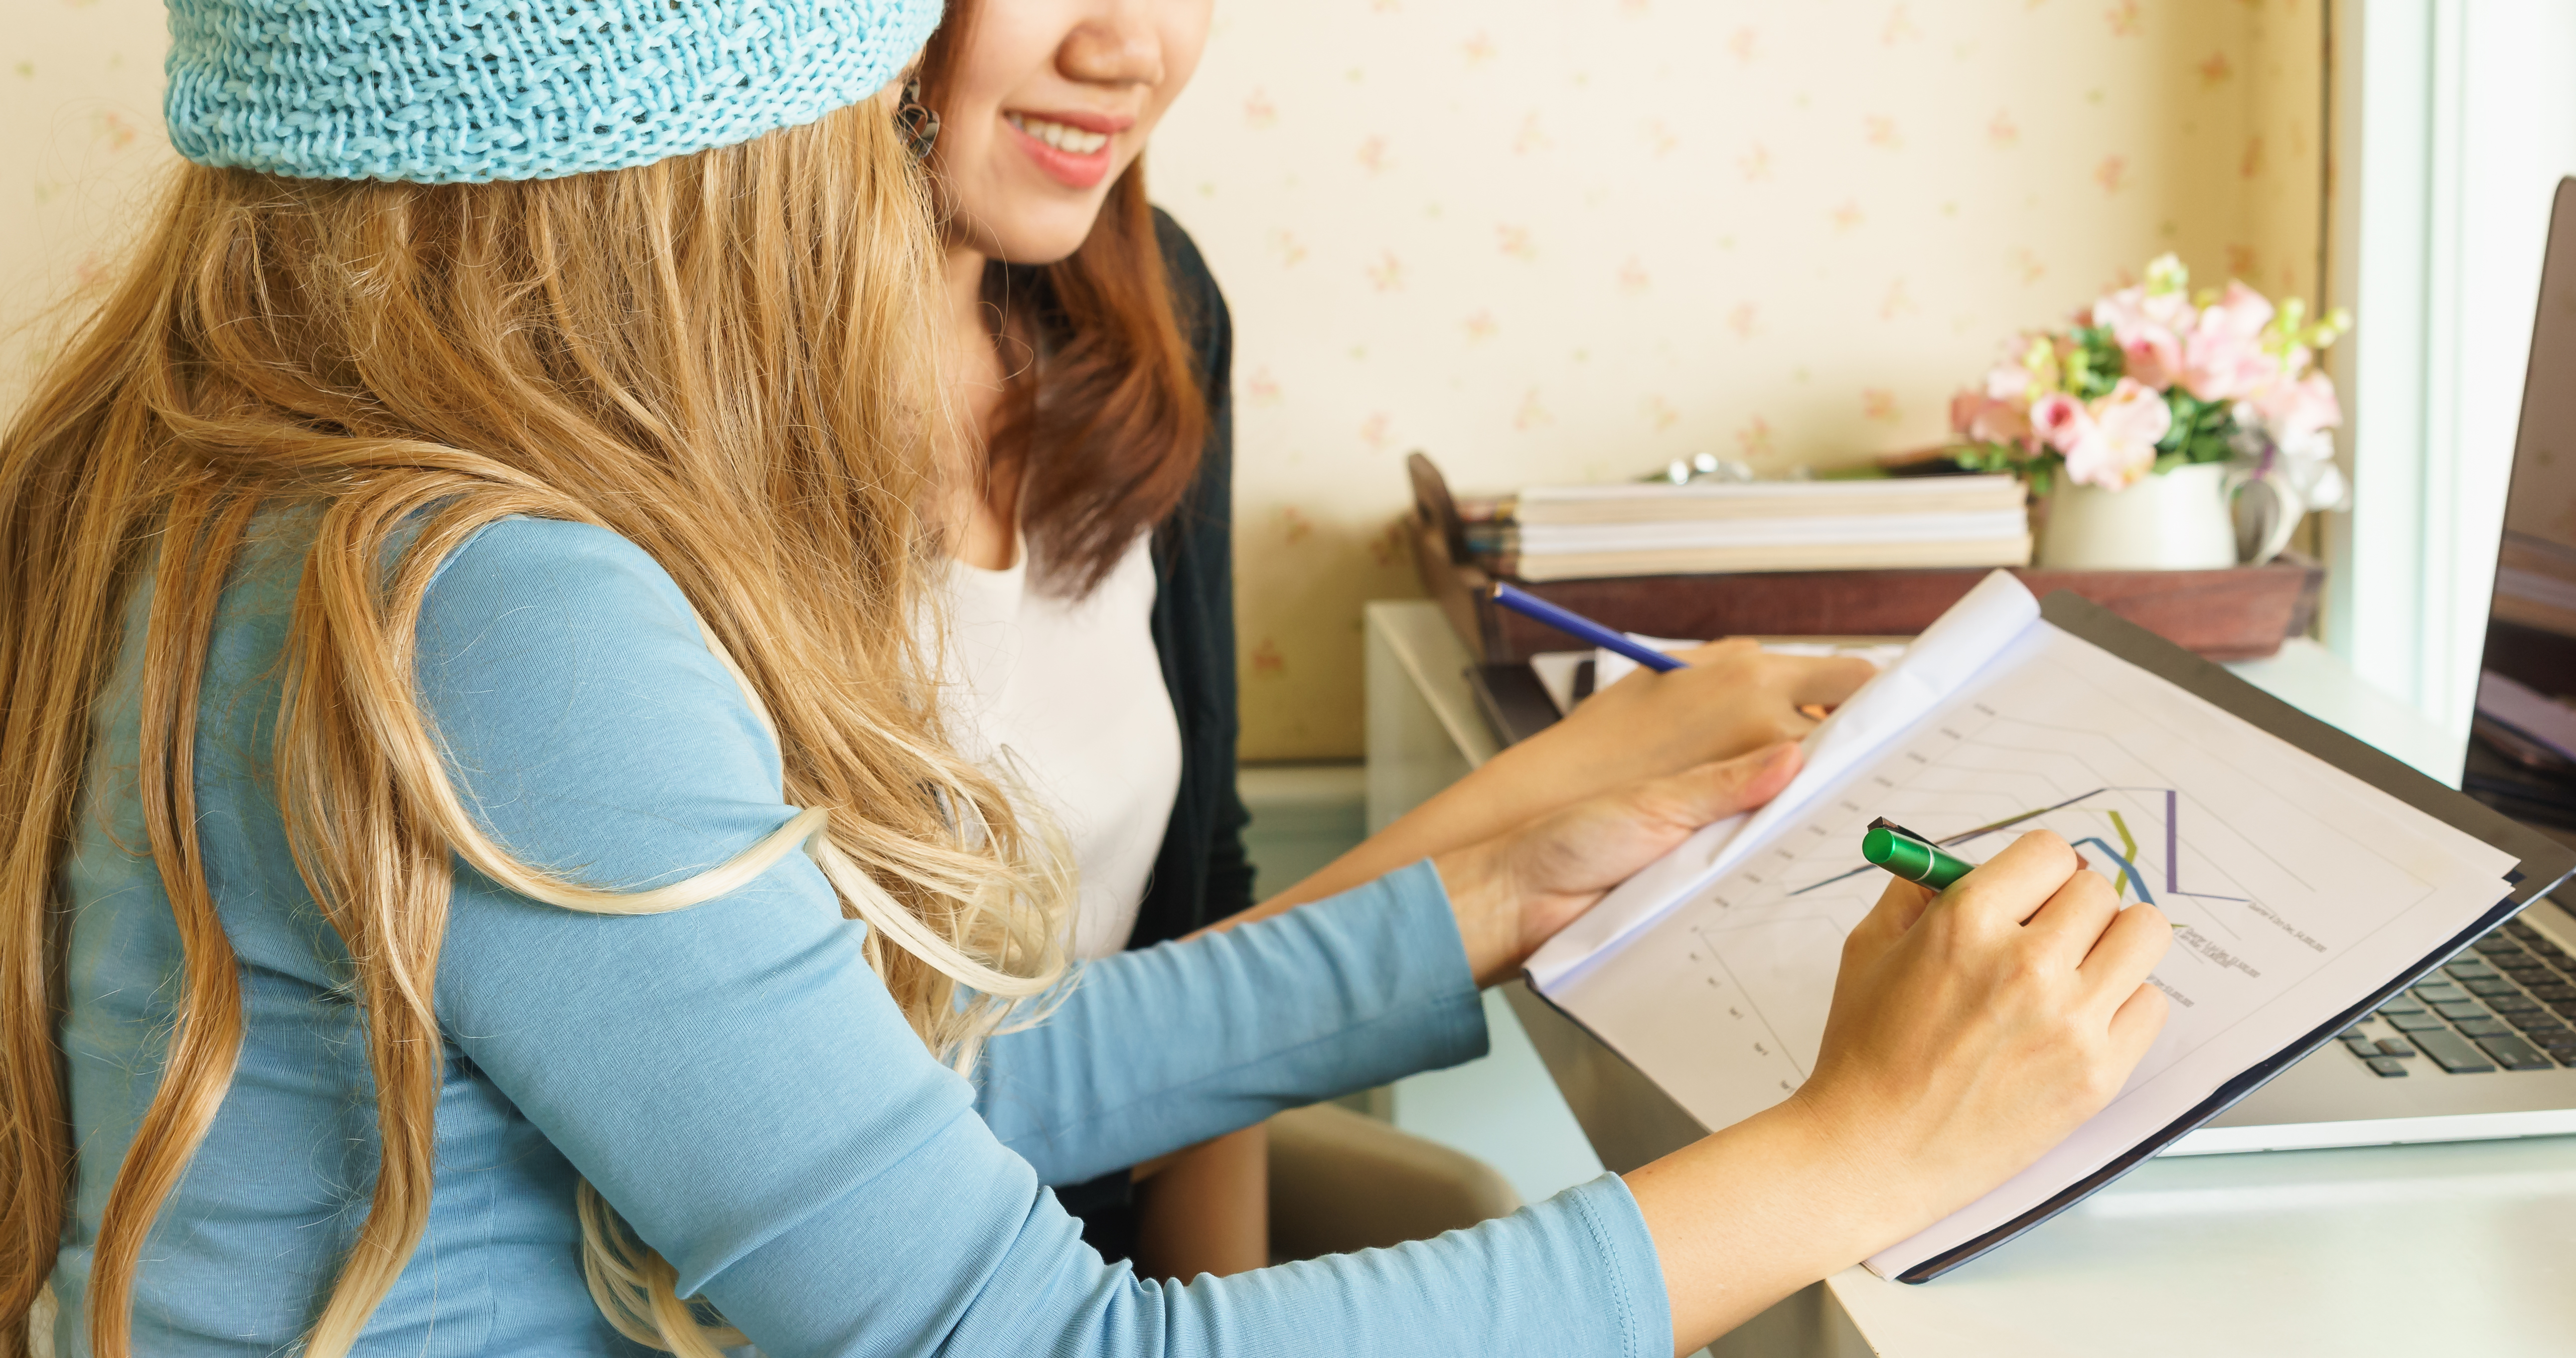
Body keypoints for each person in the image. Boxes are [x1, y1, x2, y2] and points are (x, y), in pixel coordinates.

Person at [0, 0, 2172, 1354]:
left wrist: (1495, 901)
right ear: (706, 170)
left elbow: (875, 1107)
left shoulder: (251, 495)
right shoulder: (499, 610)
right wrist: (1863, 1152)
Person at [902, 0, 1882, 1278]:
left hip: (1104, 1230)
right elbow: (895, 1132)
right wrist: (1536, 815)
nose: (1128, 50)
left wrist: (1213, 1291)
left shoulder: (1149, 314)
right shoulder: (653, 470)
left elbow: (1202, 893)